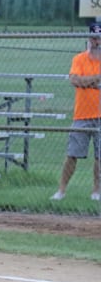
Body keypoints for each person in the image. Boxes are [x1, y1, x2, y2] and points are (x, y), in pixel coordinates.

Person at [50, 23, 101, 202]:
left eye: (99, 38)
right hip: (82, 114)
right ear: (89, 38)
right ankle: (61, 190)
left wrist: (86, 82)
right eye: (94, 38)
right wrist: (96, 80)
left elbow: (82, 81)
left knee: (99, 157)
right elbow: (75, 80)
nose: (96, 42)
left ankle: (96, 191)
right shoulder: (79, 59)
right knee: (72, 154)